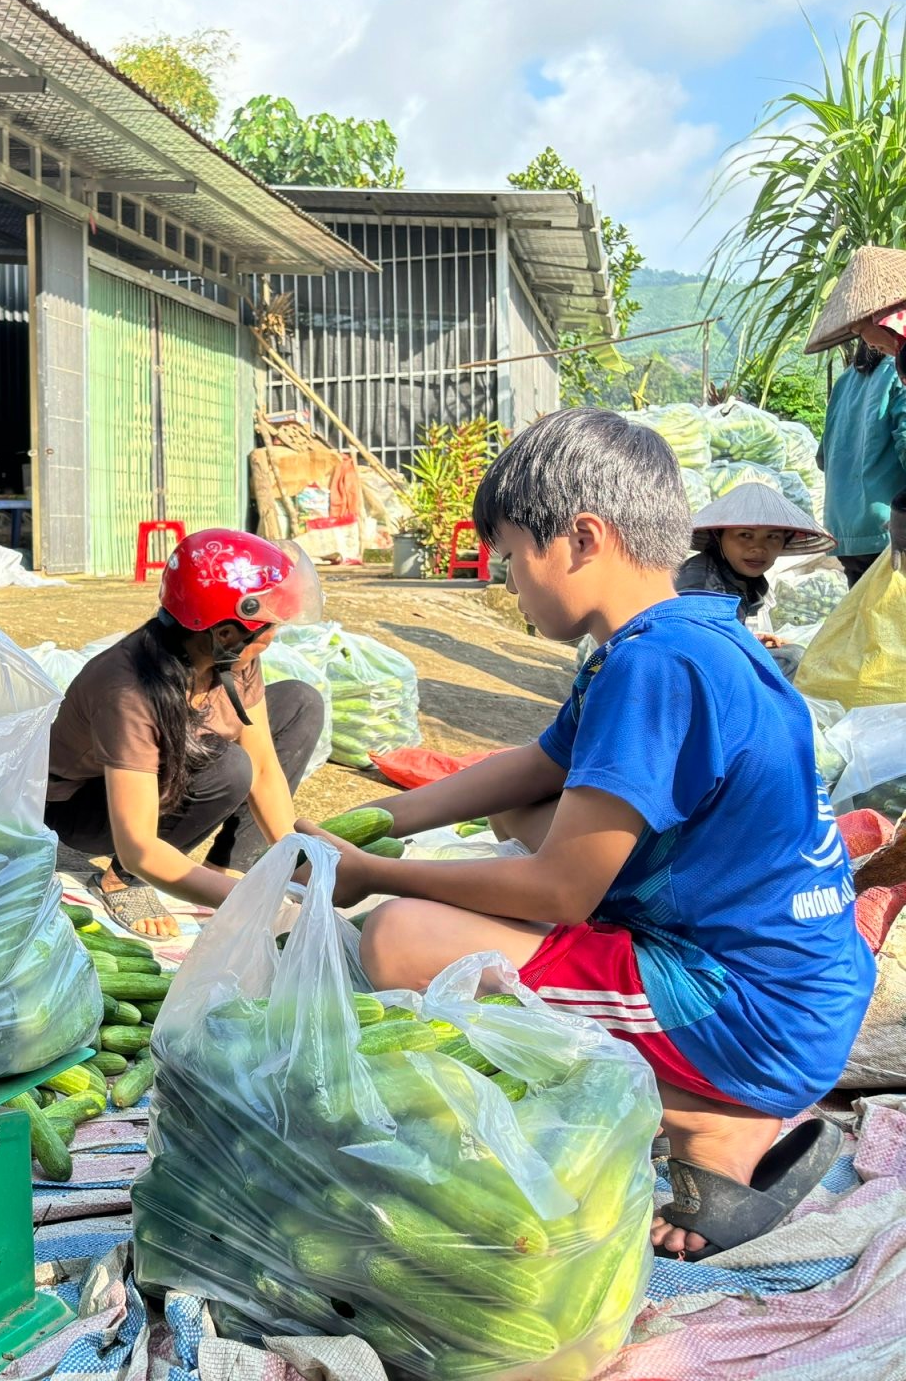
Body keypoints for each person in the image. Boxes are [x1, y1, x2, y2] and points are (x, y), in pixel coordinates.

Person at [296, 408, 874, 1260]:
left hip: (753, 1015)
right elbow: (536, 766)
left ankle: (715, 1122)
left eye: (509, 557)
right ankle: (703, 1091)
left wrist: (379, 874)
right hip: (800, 985)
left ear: (581, 538)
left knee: (401, 938)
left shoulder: (657, 665)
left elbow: (564, 890)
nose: (508, 585)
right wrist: (375, 824)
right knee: (519, 814)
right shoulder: (680, 634)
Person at [46, 529, 327, 940]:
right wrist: (249, 902)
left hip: (164, 772)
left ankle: (224, 868)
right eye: (269, 627)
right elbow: (138, 846)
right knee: (229, 767)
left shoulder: (231, 655)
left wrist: (299, 863)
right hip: (84, 806)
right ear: (225, 633)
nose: (273, 636)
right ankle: (122, 882)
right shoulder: (126, 689)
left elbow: (265, 768)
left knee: (301, 703)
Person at [805, 245, 906, 584]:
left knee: (866, 616)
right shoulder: (897, 372)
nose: (872, 343)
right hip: (890, 530)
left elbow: (823, 457)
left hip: (847, 532)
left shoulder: (846, 380)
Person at [674, 481, 834, 672]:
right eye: (745, 535)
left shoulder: (741, 578)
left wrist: (751, 640)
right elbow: (695, 649)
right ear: (718, 536)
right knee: (794, 660)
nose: (758, 548)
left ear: (785, 541)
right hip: (696, 672)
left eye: (772, 537)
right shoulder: (700, 582)